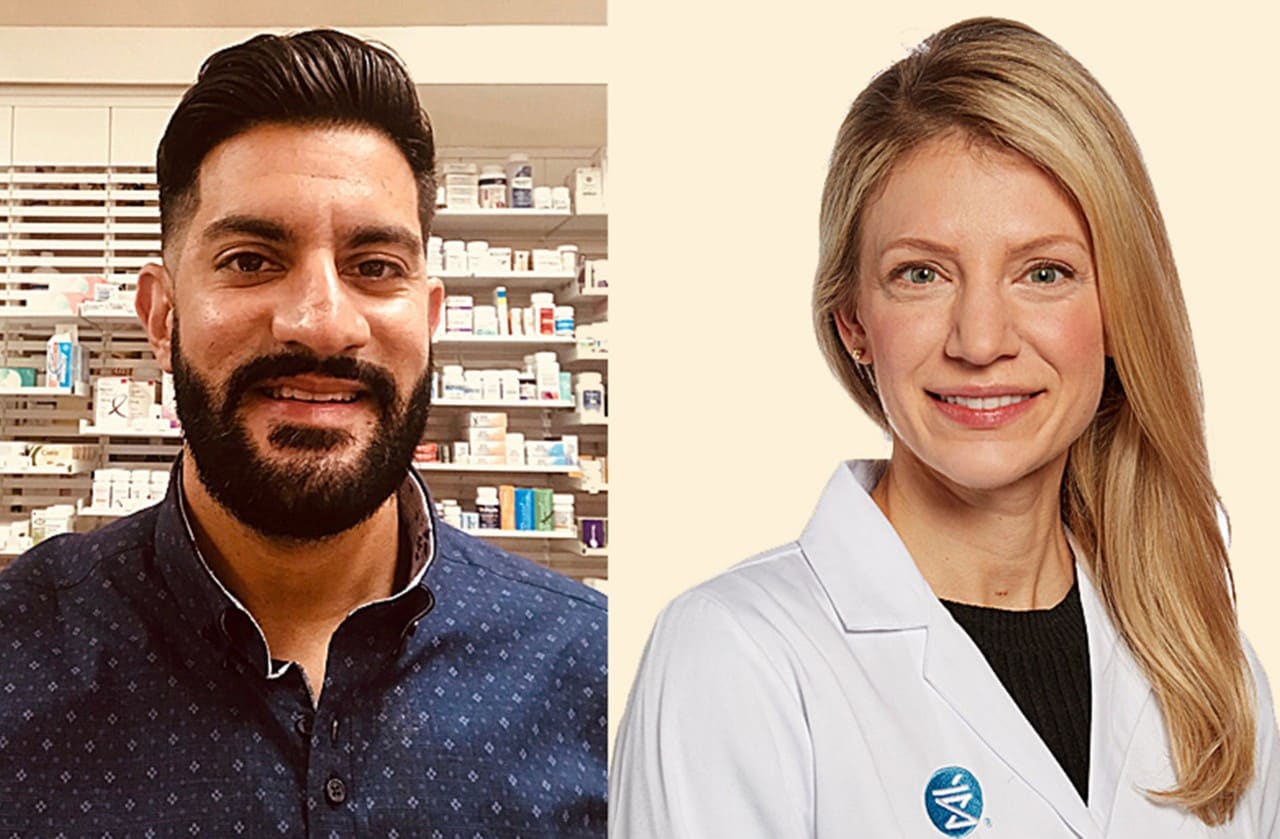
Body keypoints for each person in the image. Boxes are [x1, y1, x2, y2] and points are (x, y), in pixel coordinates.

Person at [611, 17, 1277, 837]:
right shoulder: (737, 659)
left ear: (1119, 306)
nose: (982, 339)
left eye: (1045, 272)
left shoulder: (1214, 680)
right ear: (853, 318)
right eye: (921, 273)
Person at [0, 30, 606, 835]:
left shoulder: (593, 667)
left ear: (428, 321)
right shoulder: (18, 657)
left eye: (376, 266)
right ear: (161, 315)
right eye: (250, 260)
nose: (321, 323)